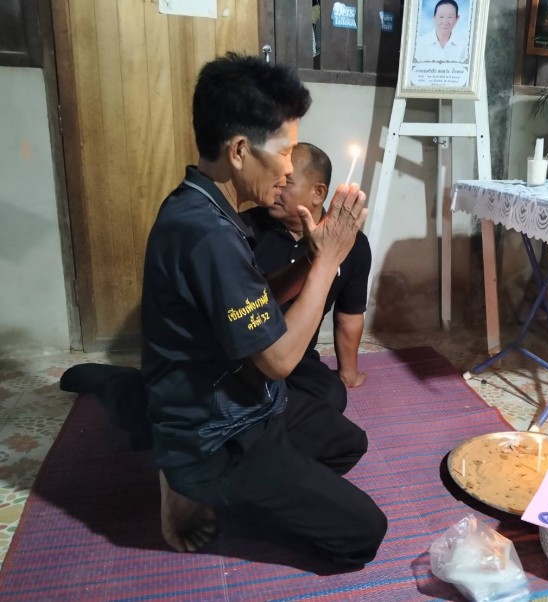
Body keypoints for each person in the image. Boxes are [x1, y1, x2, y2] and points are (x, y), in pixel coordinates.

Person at [63, 53, 387, 570]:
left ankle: (212, 463)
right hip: (217, 432)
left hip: (245, 398)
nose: (289, 168)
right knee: (363, 534)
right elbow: (278, 360)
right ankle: (187, 481)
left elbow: (255, 300)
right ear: (239, 151)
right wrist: (328, 263)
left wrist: (311, 259)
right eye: (284, 152)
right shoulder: (206, 232)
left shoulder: (205, 203)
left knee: (347, 445)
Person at [242, 142, 370, 413]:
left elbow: (349, 315)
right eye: (275, 177)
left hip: (299, 357)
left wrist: (348, 373)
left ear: (318, 193)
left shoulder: (352, 244)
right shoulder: (244, 229)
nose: (276, 187)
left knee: (332, 397)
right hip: (245, 354)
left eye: (287, 182)